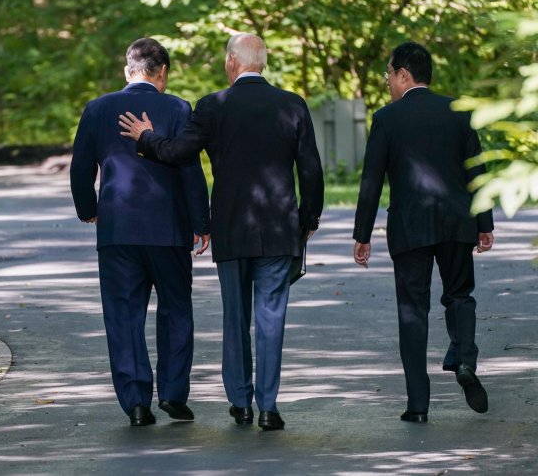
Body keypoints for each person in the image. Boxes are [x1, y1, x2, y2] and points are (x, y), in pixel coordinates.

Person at [119, 33, 324, 430]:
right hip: (280, 228)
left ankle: (240, 403)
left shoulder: (213, 106)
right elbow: (311, 170)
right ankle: (269, 407)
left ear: (232, 62)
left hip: (231, 227)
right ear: (261, 62)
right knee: (271, 319)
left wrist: (146, 138)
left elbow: (180, 153)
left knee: (235, 318)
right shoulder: (292, 104)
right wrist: (308, 219)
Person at [70, 38, 211, 427]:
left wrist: (90, 212)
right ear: (162, 72)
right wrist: (201, 222)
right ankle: (173, 393)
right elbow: (189, 169)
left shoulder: (97, 109)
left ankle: (135, 401)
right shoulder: (178, 108)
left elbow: (81, 168)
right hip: (169, 230)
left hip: (117, 231)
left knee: (123, 316)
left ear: (127, 69)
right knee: (176, 310)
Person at [352, 42, 495, 423]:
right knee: (460, 295)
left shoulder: (387, 119)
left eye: (389, 75)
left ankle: (418, 405)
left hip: (409, 226)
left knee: (412, 311)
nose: (387, 83)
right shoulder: (459, 113)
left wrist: (362, 233)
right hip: (456, 223)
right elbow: (476, 170)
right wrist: (485, 223)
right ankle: (464, 359)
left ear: (404, 74)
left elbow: (371, 181)